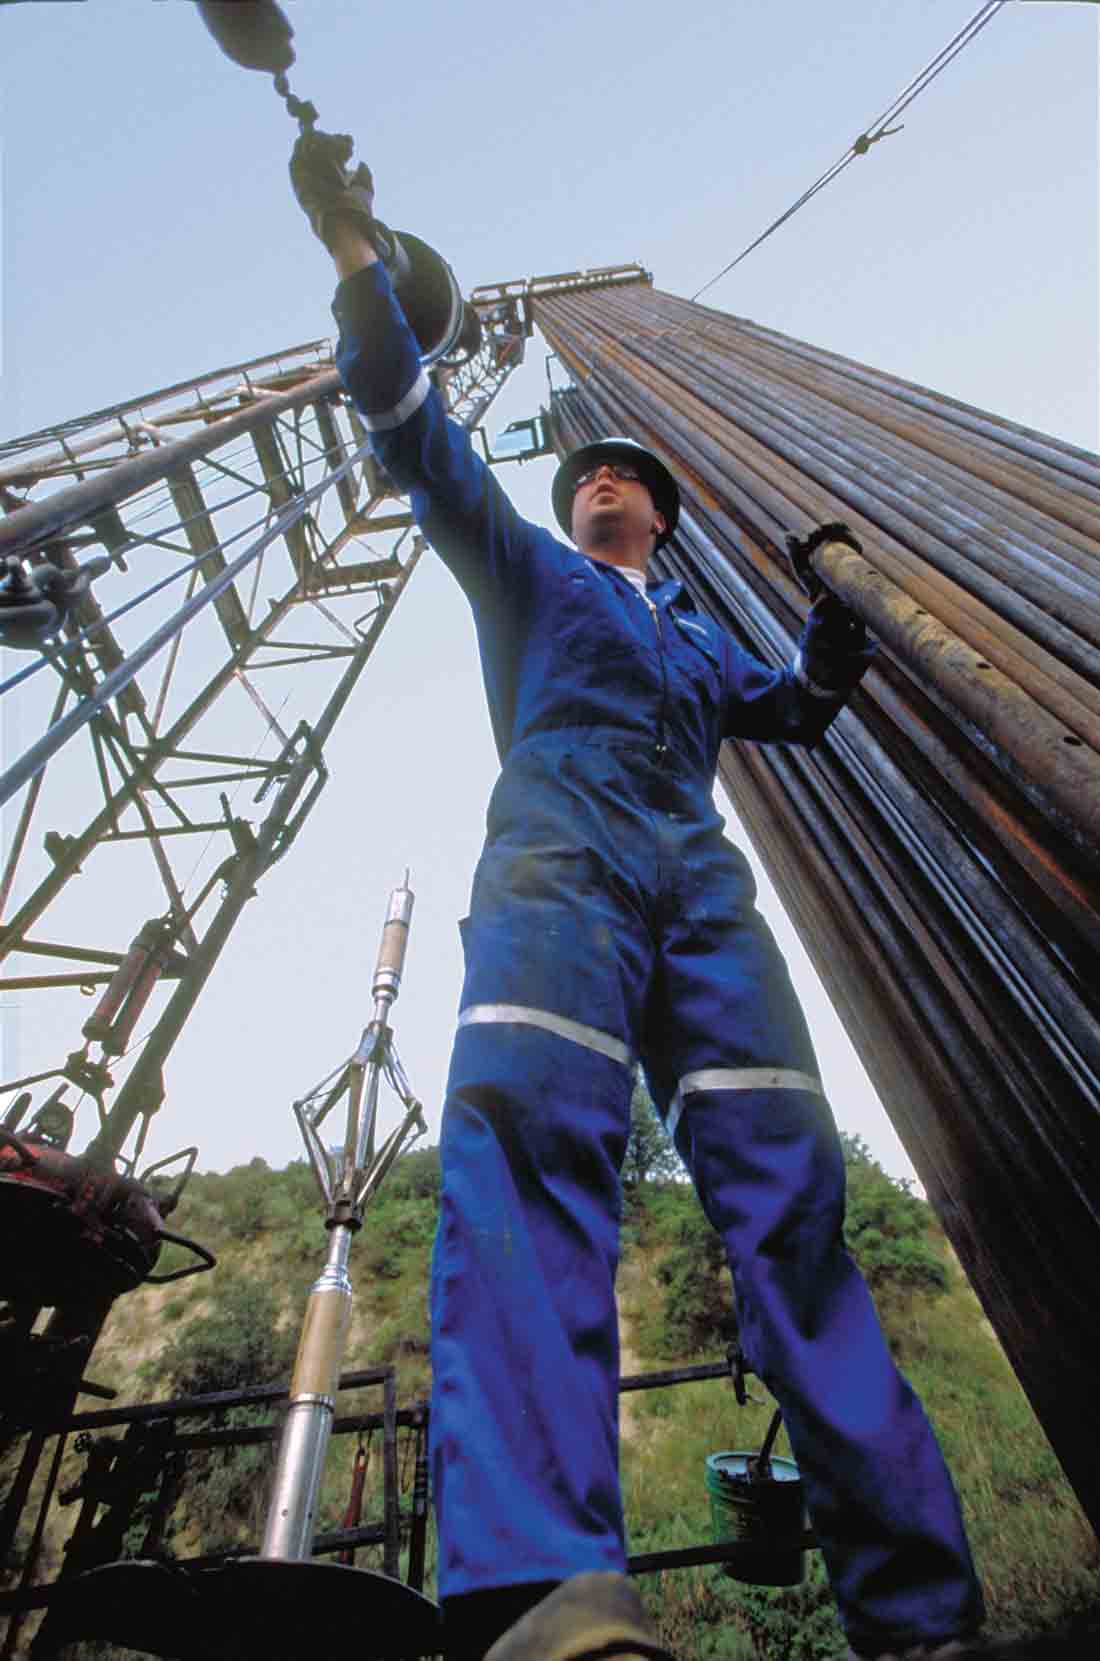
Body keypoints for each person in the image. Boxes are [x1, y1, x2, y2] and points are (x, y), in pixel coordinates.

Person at [290, 134, 985, 1661]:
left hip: (703, 888)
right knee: (534, 1150)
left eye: (627, 477)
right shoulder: (526, 571)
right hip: (560, 862)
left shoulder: (700, 640)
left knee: (794, 1205)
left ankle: (920, 1614)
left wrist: (837, 624)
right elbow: (413, 431)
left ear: (661, 517)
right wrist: (356, 259)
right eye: (587, 473)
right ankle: (552, 1601)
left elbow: (798, 705)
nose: (603, 478)